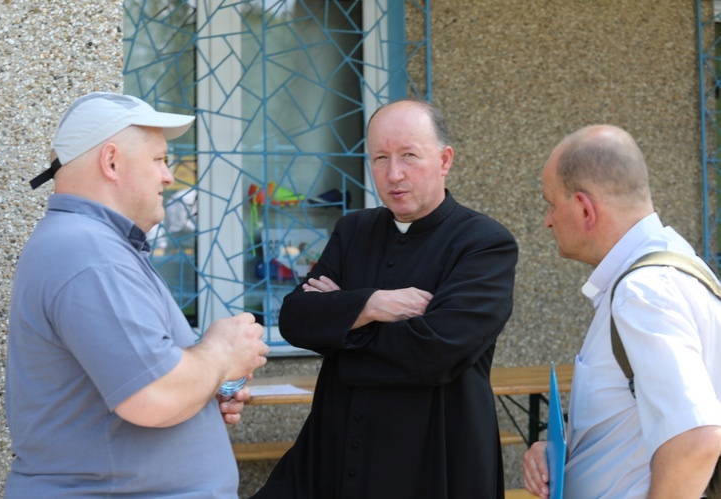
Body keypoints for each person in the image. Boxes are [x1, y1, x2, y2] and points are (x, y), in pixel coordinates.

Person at [5, 92, 269, 498]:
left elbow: (139, 382)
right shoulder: (88, 252)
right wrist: (221, 354)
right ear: (111, 162)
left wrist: (200, 388)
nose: (169, 176)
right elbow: (153, 395)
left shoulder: (91, 244)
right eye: (160, 159)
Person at [251, 99, 518, 499]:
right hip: (334, 450)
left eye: (409, 156)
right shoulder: (354, 230)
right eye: (380, 158)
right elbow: (294, 319)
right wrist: (371, 305)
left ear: (445, 160)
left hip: (432, 460)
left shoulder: (483, 243)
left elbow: (434, 353)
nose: (394, 174)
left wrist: (341, 326)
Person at [523, 125, 721, 498]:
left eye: (551, 203)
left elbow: (697, 439)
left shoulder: (642, 292)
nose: (547, 219)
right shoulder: (676, 266)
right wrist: (560, 458)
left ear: (584, 208)